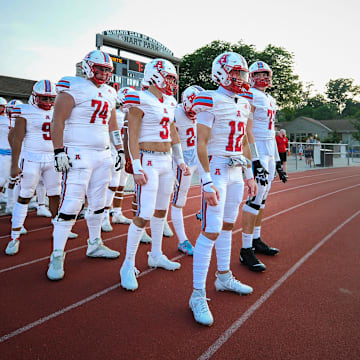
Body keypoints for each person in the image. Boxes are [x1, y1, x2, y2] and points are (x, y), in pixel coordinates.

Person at [189, 52, 256, 326]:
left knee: (229, 226)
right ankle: (196, 294)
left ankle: (224, 276)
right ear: (222, 73)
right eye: (237, 73)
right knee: (212, 229)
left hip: (236, 170)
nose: (242, 78)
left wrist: (250, 173)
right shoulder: (209, 98)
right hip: (216, 168)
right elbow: (200, 143)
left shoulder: (244, 102)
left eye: (243, 73)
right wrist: (204, 180)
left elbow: (244, 143)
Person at [47, 50, 123, 280]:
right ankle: (57, 254)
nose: (103, 73)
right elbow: (57, 120)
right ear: (88, 67)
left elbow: (112, 125)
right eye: (99, 68)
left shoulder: (110, 92)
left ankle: (95, 243)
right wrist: (58, 150)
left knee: (99, 203)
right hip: (78, 152)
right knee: (71, 203)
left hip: (102, 154)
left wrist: (119, 149)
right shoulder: (73, 86)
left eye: (107, 70)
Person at [119, 58, 190, 291]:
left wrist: (180, 159)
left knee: (162, 210)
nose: (171, 82)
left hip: (166, 161)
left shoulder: (170, 101)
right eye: (168, 77)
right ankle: (127, 264)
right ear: (154, 75)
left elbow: (173, 132)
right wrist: (137, 166)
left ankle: (156, 254)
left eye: (172, 78)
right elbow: (133, 135)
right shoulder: (139, 98)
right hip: (148, 160)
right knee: (145, 212)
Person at [239, 61, 287, 273]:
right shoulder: (249, 94)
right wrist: (255, 161)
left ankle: (256, 239)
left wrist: (277, 161)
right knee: (254, 198)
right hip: (257, 150)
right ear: (250, 76)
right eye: (257, 74)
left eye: (265, 74)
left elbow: (271, 131)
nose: (263, 78)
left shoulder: (269, 98)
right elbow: (247, 131)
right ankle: (245, 248)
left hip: (268, 150)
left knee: (262, 198)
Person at [4, 80, 61, 255]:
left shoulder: (58, 111)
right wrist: (15, 164)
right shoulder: (25, 111)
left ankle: (58, 228)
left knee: (55, 194)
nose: (48, 102)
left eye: (51, 98)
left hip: (51, 158)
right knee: (25, 195)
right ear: (35, 96)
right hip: (31, 158)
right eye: (44, 98)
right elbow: (16, 139)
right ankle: (14, 236)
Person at [170, 85, 203, 256]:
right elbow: (170, 139)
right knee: (179, 200)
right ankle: (183, 240)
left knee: (214, 183)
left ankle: (203, 210)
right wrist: (177, 161)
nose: (195, 113)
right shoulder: (175, 112)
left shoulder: (204, 110)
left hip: (197, 156)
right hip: (181, 160)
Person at [101, 86, 132, 232]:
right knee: (113, 185)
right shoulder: (117, 115)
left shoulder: (133, 115)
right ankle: (104, 215)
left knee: (121, 185)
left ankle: (117, 213)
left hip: (126, 154)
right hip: (115, 153)